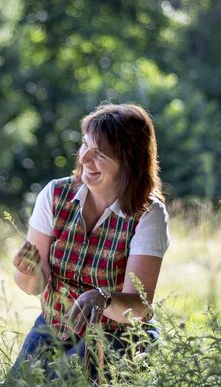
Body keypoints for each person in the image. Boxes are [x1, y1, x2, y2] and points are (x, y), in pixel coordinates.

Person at [11, 103, 170, 378]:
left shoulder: (148, 214)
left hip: (117, 335)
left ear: (128, 160)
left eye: (99, 154)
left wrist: (104, 299)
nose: (84, 158)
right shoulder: (55, 194)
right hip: (55, 327)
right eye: (85, 145)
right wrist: (28, 272)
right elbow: (34, 286)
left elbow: (139, 307)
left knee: (61, 379)